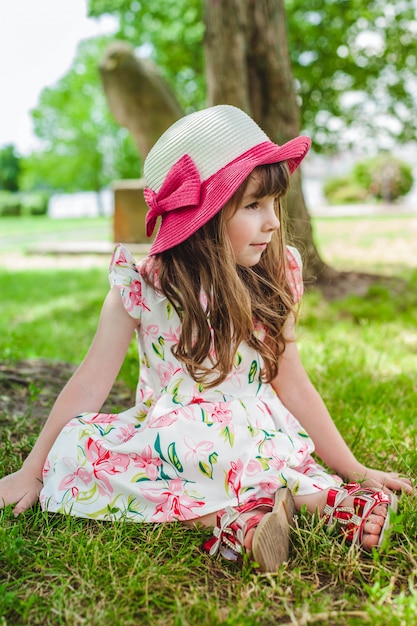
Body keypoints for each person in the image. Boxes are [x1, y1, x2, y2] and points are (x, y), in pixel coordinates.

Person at [0, 105, 412, 572]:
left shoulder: (169, 285)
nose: (274, 222)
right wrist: (353, 471)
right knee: (275, 469)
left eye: (274, 203)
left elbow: (90, 385)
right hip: (261, 440)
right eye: (254, 205)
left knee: (84, 452)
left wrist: (36, 468)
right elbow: (292, 386)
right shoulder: (159, 283)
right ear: (204, 217)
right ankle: (331, 504)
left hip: (182, 439)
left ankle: (230, 522)